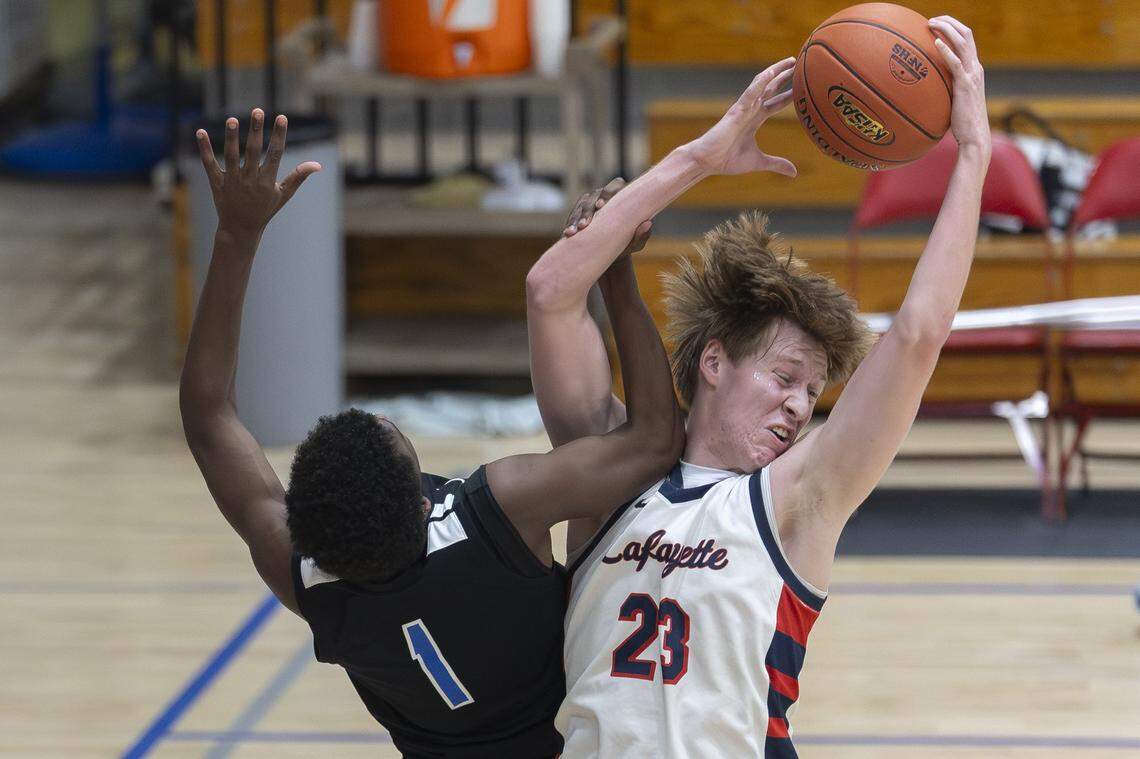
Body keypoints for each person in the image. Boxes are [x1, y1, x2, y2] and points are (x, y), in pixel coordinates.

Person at [525, 17, 989, 758]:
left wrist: (972, 152)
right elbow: (551, 291)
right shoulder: (607, 472)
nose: (800, 405)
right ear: (714, 362)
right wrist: (704, 156)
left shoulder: (797, 498)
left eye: (811, 393)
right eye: (784, 377)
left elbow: (918, 332)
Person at [180, 109, 683, 758]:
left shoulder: (313, 582)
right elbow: (653, 442)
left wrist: (235, 239)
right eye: (395, 441)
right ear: (422, 506)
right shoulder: (494, 511)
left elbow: (207, 416)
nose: (382, 420)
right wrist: (614, 268)